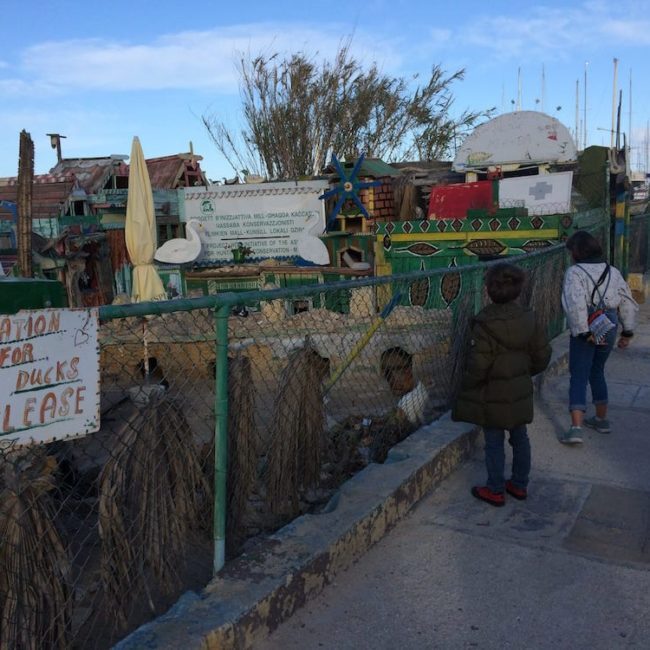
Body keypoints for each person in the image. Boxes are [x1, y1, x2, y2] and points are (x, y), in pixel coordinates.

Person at [452, 262, 551, 506]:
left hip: (492, 394)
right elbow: (542, 356)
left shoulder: (484, 323)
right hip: (519, 391)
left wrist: (467, 387)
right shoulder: (529, 317)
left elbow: (479, 366)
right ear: (518, 289)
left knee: (494, 442)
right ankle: (519, 484)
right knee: (520, 438)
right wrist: (524, 372)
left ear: (488, 290)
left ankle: (495, 489)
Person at [560, 230, 638, 444]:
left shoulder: (575, 272)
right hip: (610, 323)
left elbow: (575, 304)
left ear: (576, 252)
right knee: (597, 370)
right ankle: (601, 420)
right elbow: (626, 301)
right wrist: (627, 331)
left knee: (579, 374)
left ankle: (576, 428)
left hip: (587, 324)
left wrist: (583, 332)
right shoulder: (612, 271)